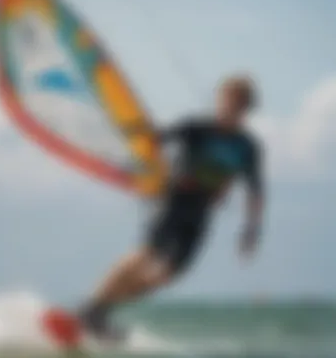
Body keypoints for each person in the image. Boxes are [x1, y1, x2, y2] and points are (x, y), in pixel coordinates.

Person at [78, 74, 265, 339]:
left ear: (245, 109)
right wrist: (132, 135)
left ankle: (101, 312)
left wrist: (252, 230)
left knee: (166, 276)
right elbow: (155, 140)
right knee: (146, 254)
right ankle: (91, 307)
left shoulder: (247, 147)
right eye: (226, 102)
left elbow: (256, 191)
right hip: (174, 199)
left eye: (237, 105)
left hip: (201, 213)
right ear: (219, 100)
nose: (228, 109)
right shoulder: (196, 128)